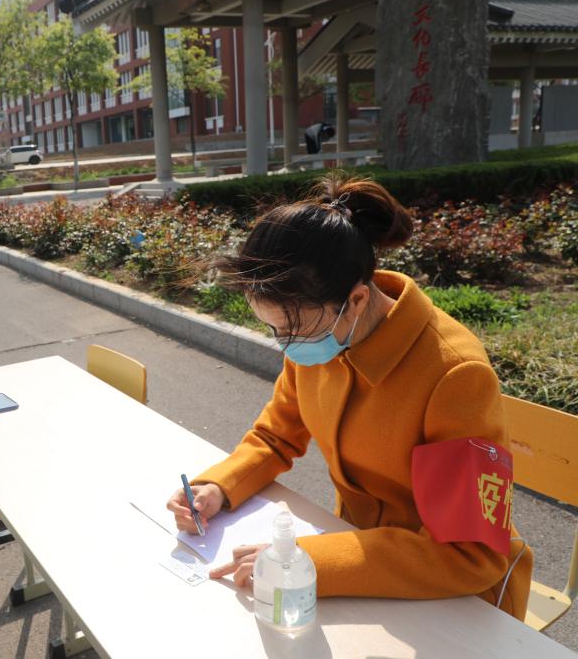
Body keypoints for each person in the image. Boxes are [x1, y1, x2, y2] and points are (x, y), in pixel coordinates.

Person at [166, 174, 533, 620]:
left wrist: (307, 560)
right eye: (274, 328)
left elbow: (469, 555)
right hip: (359, 560)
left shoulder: (453, 374)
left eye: (294, 329)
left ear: (357, 299)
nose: (286, 344)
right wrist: (219, 488)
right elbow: (276, 436)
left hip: (457, 598)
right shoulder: (321, 332)